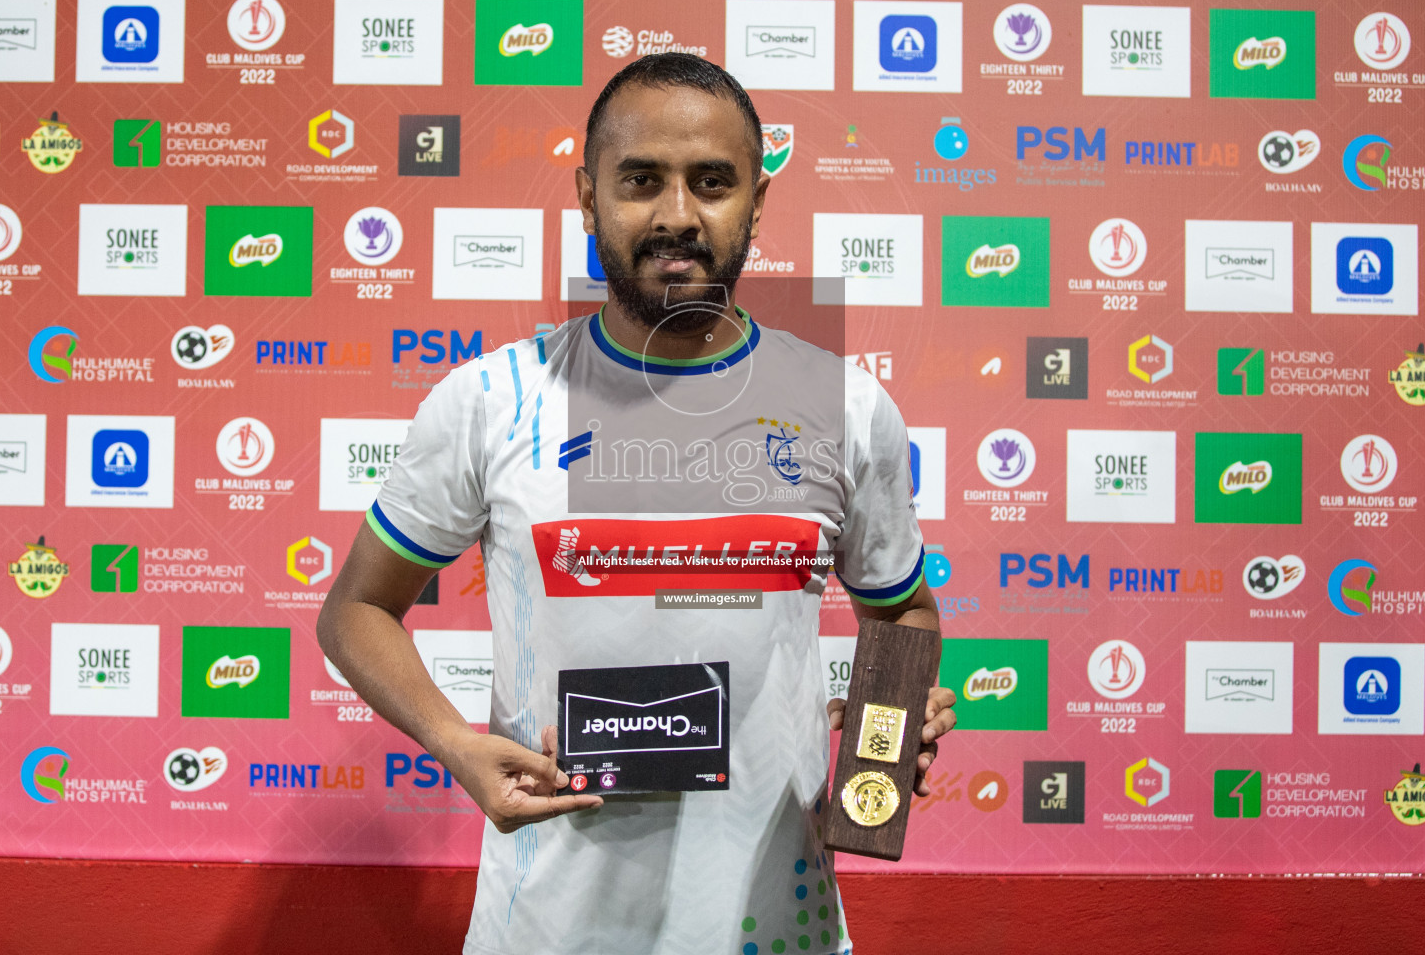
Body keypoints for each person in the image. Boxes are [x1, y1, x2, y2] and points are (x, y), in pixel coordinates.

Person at [317, 52, 957, 955]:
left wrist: (891, 712)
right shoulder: (491, 398)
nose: (677, 217)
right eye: (641, 181)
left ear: (758, 202)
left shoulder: (845, 406)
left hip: (774, 924)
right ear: (588, 195)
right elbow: (354, 610)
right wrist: (454, 742)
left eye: (712, 182)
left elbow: (906, 616)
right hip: (545, 928)